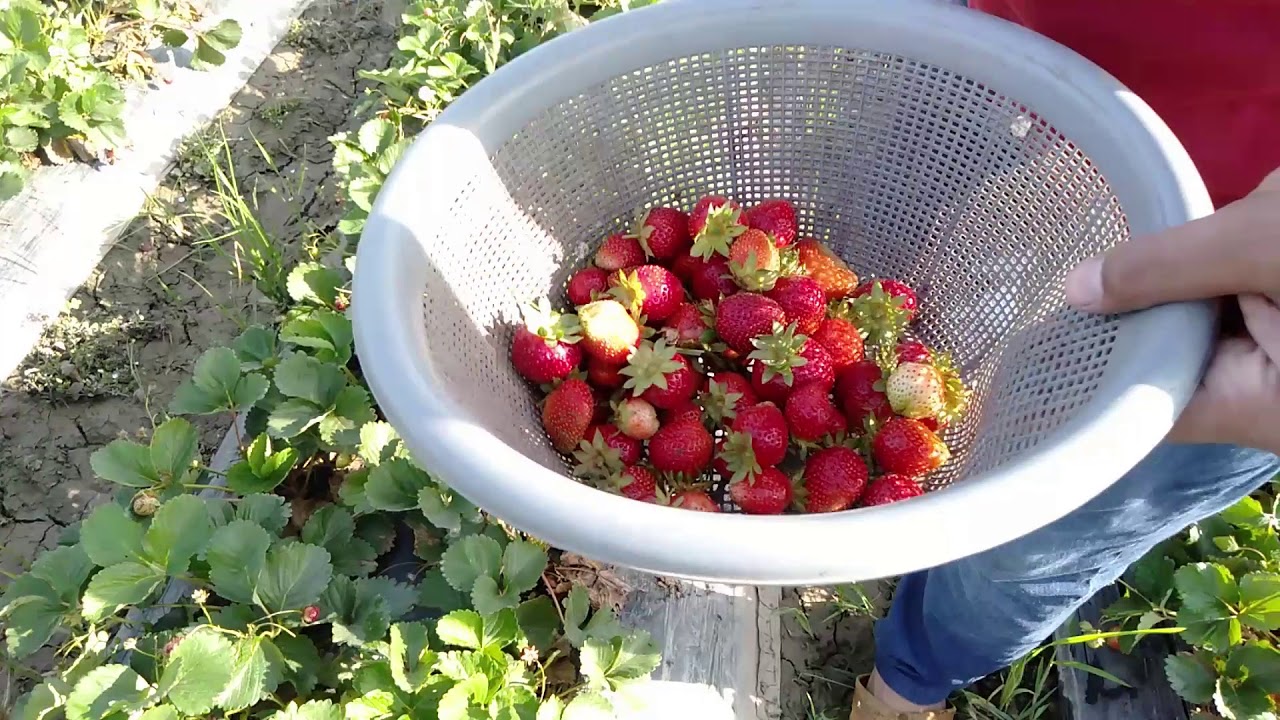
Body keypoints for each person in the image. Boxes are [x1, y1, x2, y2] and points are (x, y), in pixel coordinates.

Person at [851, 1, 1280, 718]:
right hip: (998, 65)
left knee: (1034, 537)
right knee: (885, 312)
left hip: (1240, 265)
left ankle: (908, 680)